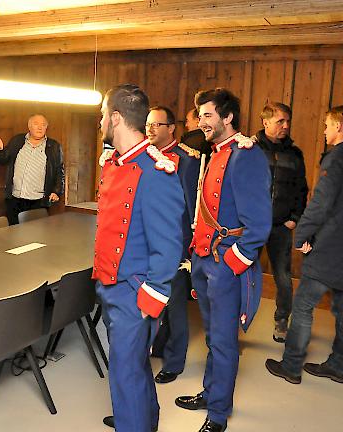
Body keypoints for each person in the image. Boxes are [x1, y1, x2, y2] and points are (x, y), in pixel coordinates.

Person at [175, 88, 271, 432]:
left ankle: (217, 414)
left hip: (225, 263)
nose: (201, 122)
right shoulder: (215, 152)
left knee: (224, 340)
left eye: (208, 115)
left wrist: (233, 263)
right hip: (203, 258)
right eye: (199, 115)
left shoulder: (246, 156)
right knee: (213, 337)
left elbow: (259, 225)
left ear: (228, 117)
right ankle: (210, 391)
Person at [265, 105, 343, 385]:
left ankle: (291, 366)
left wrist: (303, 234)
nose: (325, 131)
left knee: (303, 304)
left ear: (340, 128)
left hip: (328, 247)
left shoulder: (337, 159)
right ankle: (339, 365)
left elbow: (320, 204)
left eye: (328, 126)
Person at [94, 85, 185, 432]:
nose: (100, 120)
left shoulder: (155, 171)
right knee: (131, 370)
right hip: (111, 285)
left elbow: (169, 244)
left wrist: (151, 297)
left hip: (134, 292)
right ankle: (143, 422)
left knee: (126, 373)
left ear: (115, 118)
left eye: (103, 114)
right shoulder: (118, 162)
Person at [145, 106, 201, 384]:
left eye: (157, 124)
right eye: (148, 124)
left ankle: (175, 360)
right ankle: (158, 344)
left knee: (176, 304)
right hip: (148, 243)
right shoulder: (145, 156)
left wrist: (186, 250)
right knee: (155, 299)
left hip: (174, 244)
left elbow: (190, 210)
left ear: (171, 128)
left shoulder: (187, 161)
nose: (151, 129)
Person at [252, 102, 308, 343]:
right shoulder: (250, 149)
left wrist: (294, 218)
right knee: (241, 275)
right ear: (265, 122)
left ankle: (282, 320)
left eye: (287, 121)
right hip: (252, 225)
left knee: (283, 278)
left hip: (280, 227)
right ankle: (234, 320)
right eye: (280, 121)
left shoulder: (295, 155)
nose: (285, 126)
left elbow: (301, 189)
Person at [0, 114, 65, 225]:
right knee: (13, 235)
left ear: (46, 128)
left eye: (43, 125)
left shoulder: (53, 146)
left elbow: (60, 170)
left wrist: (57, 191)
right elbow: (4, 159)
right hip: (15, 199)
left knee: (36, 235)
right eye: (36, 124)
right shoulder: (17, 141)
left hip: (38, 201)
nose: (40, 127)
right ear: (29, 126)